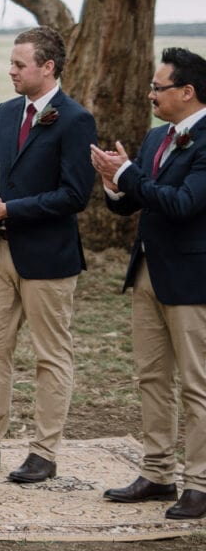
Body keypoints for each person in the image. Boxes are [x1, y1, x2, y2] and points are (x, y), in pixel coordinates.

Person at [0, 26, 96, 483]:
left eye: (19, 64)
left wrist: (13, 208)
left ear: (47, 67)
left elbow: (74, 195)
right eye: (10, 63)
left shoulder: (74, 119)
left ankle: (44, 453)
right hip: (0, 251)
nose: (10, 71)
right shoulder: (6, 113)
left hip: (48, 258)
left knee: (51, 356)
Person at [91, 47, 206, 520]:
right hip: (148, 272)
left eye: (158, 87)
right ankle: (157, 472)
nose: (150, 95)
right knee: (152, 378)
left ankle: (199, 482)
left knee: (198, 384)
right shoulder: (159, 137)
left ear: (187, 91)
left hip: (193, 279)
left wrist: (128, 174)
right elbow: (139, 200)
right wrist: (114, 184)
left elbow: (182, 204)